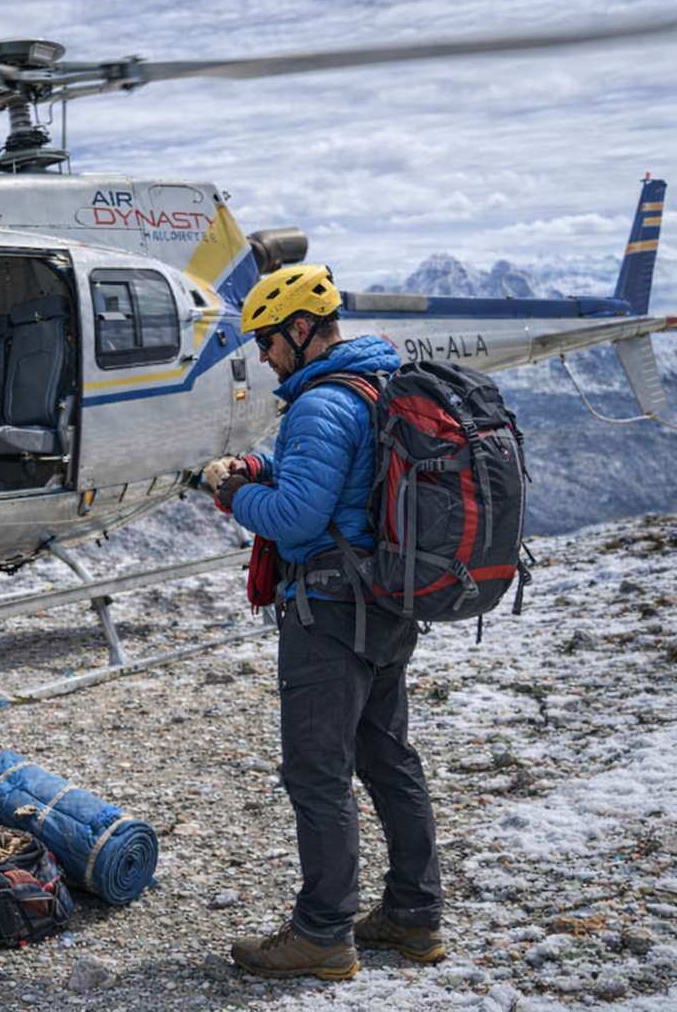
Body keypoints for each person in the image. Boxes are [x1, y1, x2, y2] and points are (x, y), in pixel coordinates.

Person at [204, 263, 444, 981]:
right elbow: (324, 473)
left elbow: (297, 515)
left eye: (269, 341)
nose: (265, 357)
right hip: (387, 600)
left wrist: (233, 494)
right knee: (387, 758)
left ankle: (321, 934)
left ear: (301, 329)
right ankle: (413, 916)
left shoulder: (319, 404)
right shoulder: (374, 385)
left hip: (331, 612)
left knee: (318, 773)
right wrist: (259, 464)